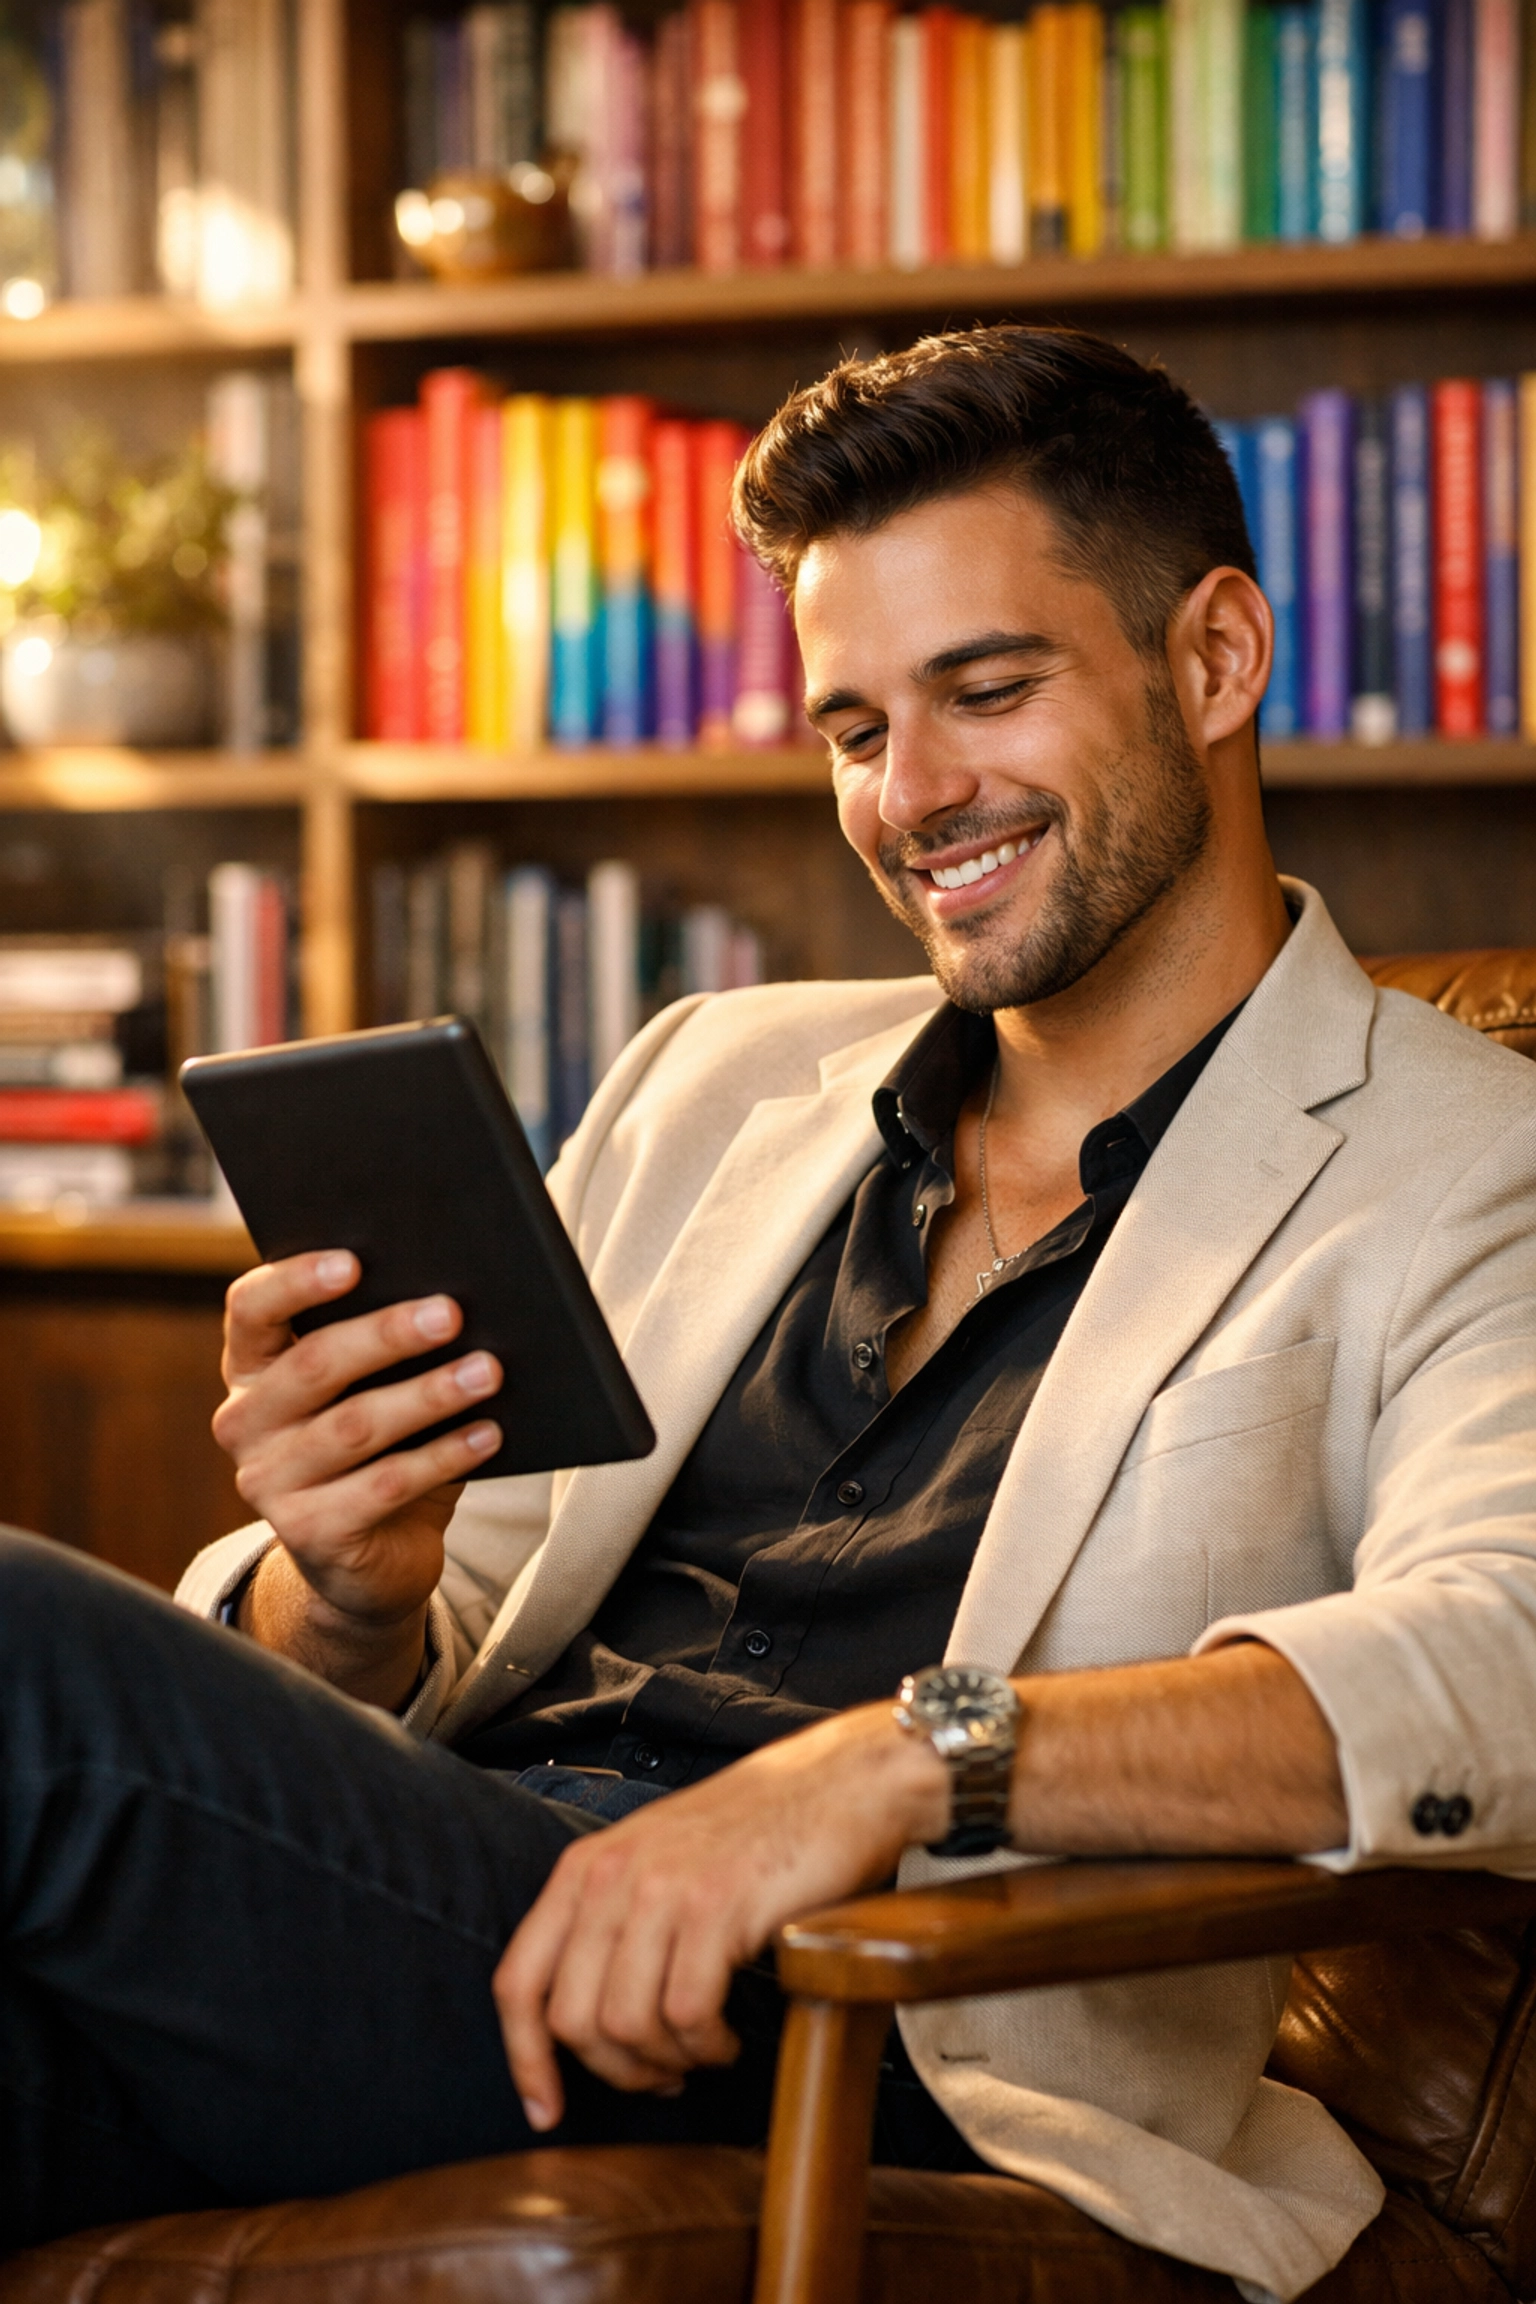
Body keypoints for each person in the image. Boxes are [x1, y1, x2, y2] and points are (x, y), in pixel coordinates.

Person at [5, 326, 1535, 2304]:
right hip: (448, 1926)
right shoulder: (709, 1078)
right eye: (851, 727)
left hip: (868, 2030)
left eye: (986, 691)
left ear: (1217, 660)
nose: (913, 795)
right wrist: (354, 1597)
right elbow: (415, 1645)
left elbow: (1506, 1656)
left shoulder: (1467, 1160)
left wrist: (906, 1761)